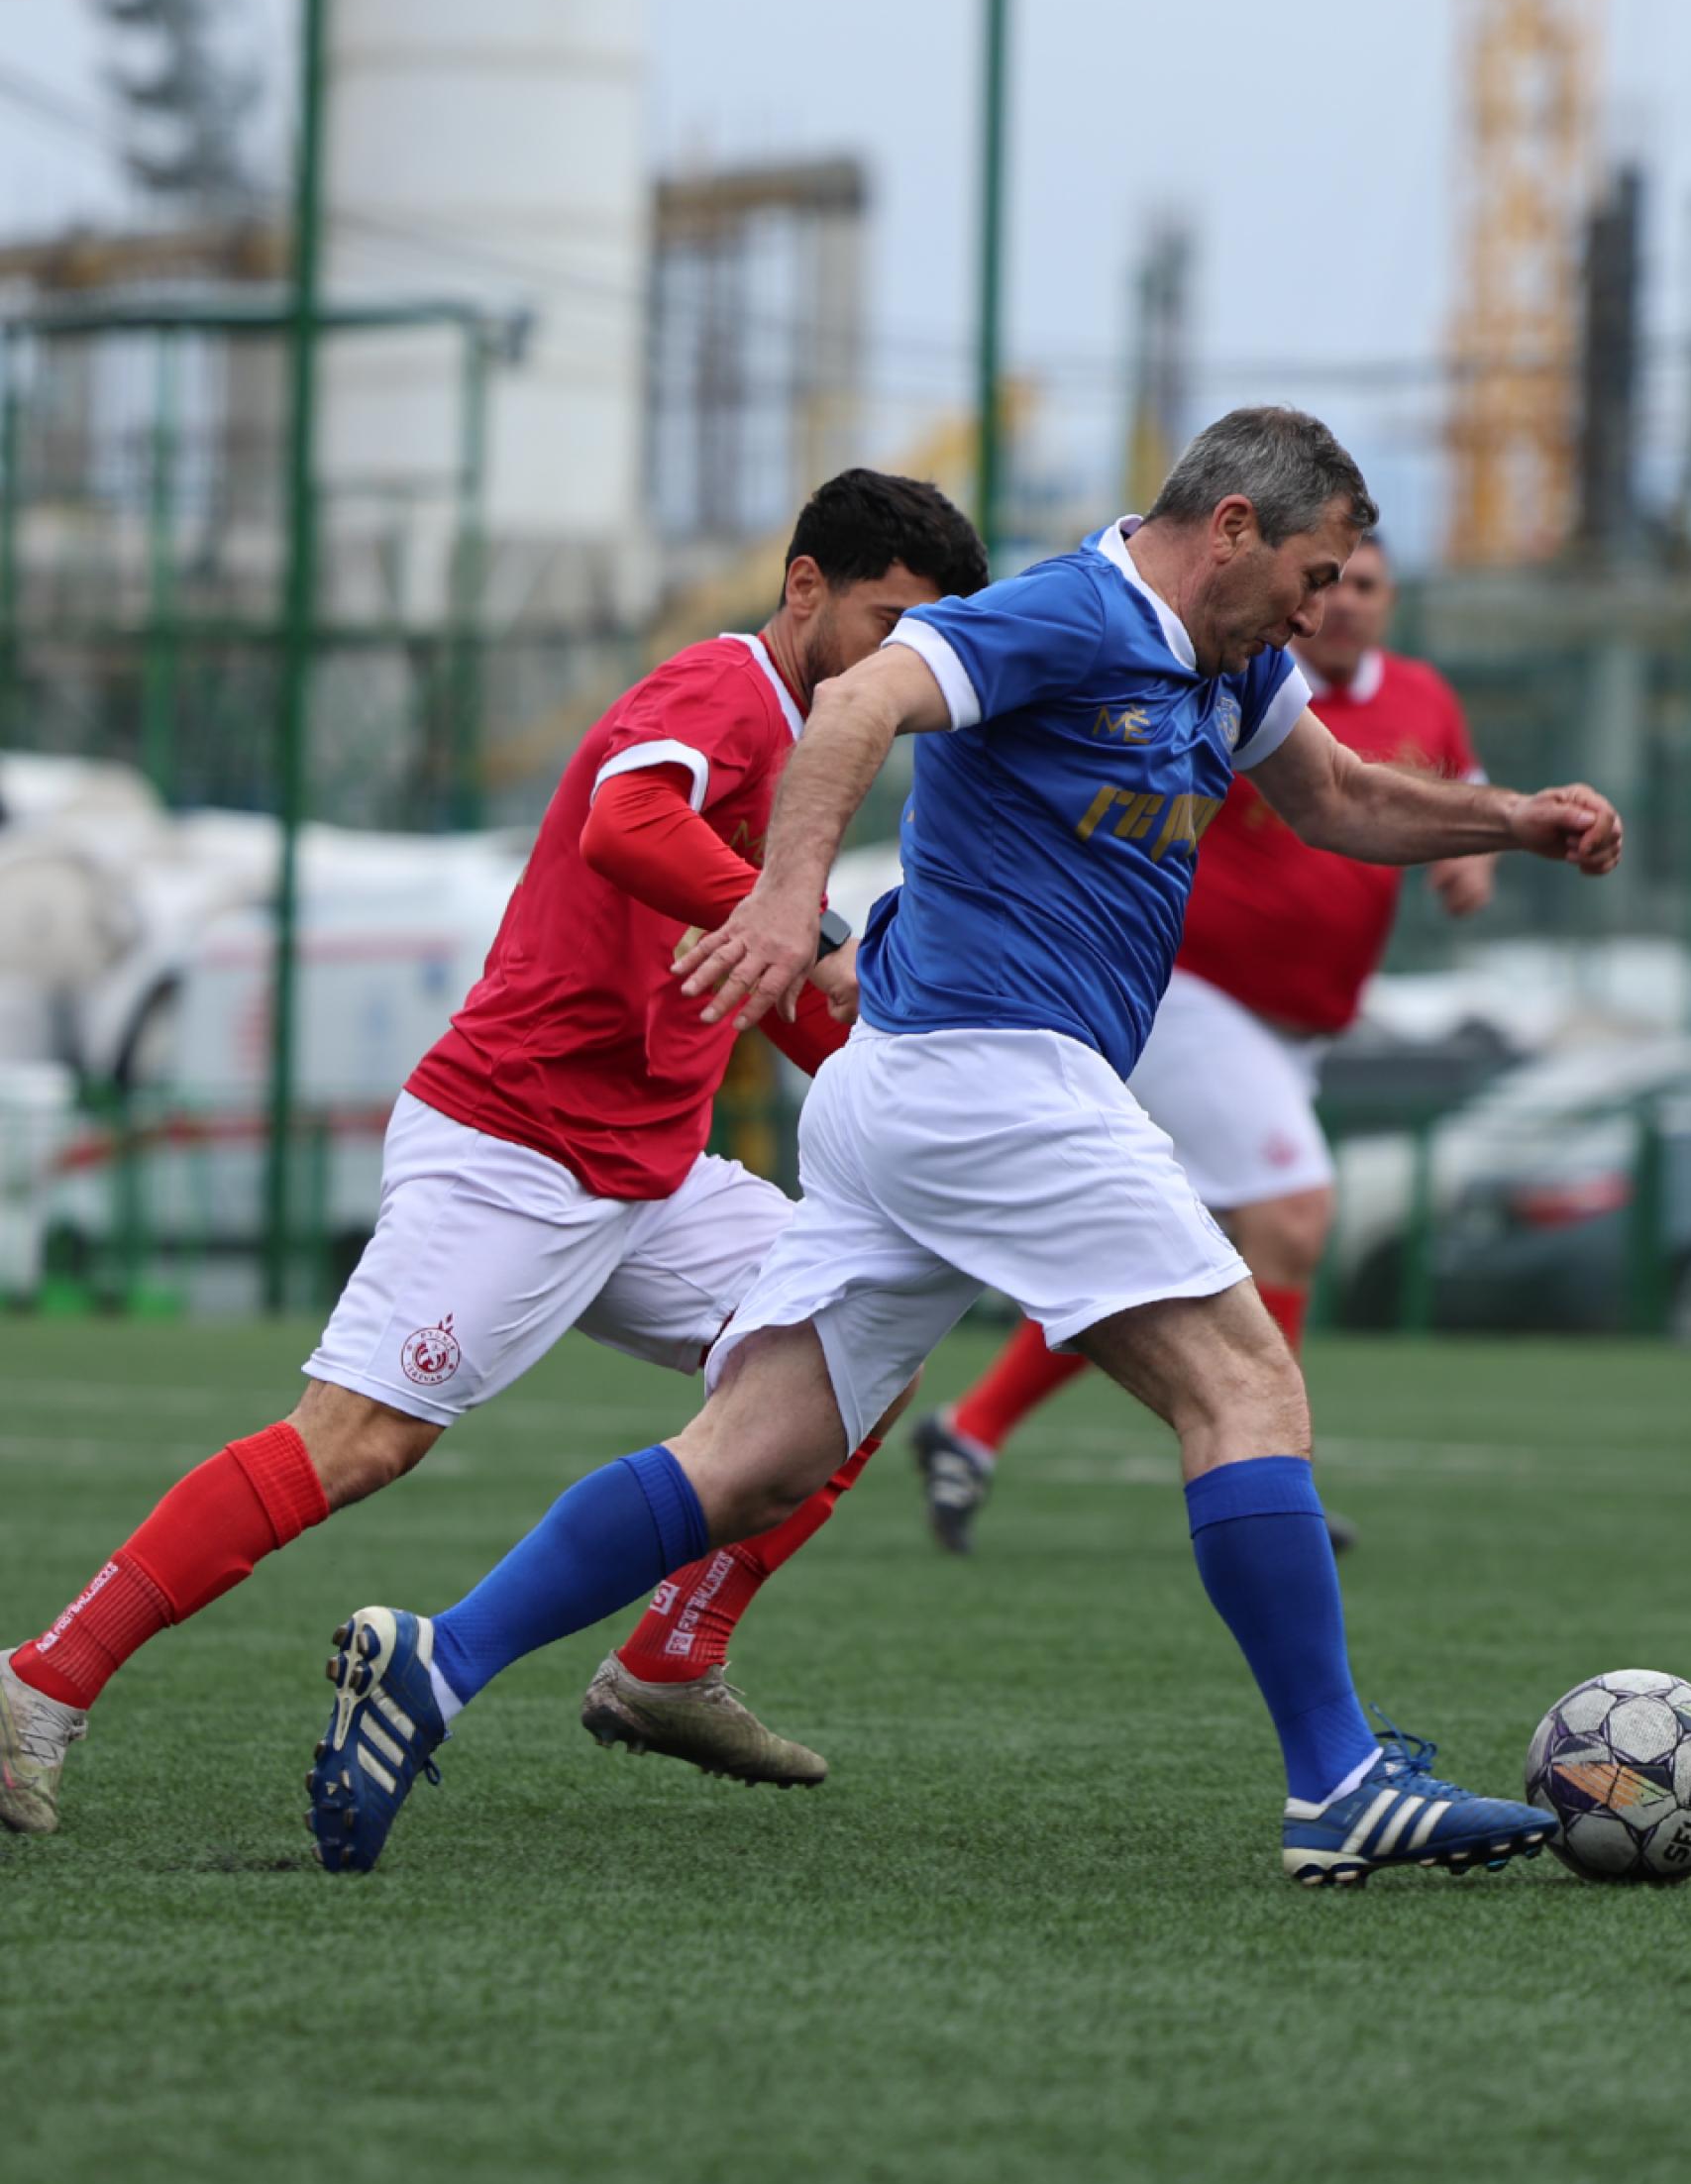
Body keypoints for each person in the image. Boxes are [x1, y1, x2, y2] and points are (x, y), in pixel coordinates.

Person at [304, 405, 1622, 1887]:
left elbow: (1338, 796)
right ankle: (1339, 1780)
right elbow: (861, 704)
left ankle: (438, 1663)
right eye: (1314, 577)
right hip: (996, 1073)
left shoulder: (1230, 661)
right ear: (1233, 529)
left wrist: (1511, 820)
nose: (1321, 615)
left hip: (912, 1088)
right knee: (1246, 1385)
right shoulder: (1072, 612)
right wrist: (787, 900)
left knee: (757, 1456)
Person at [0, 468, 989, 1840]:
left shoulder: (821, 741)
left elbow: (765, 974)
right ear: (805, 589)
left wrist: (913, 1085)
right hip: (513, 1145)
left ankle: (671, 1657)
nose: (903, 662)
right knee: (358, 1441)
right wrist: (806, 929)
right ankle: (39, 1685)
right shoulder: (727, 690)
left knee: (856, 1354)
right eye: (889, 622)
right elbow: (626, 826)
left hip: (648, 1169)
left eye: (927, 639)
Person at [912, 530, 1490, 1554]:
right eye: (1331, 581)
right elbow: (1314, 797)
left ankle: (972, 1428)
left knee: (1171, 1254)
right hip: (1194, 995)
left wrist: (1475, 852)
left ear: (1390, 601)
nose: (1346, 602)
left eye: (1366, 585)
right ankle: (1276, 1474)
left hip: (1301, 1029)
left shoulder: (1423, 698)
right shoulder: (1241, 677)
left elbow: (1442, 800)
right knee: (1294, 1210)